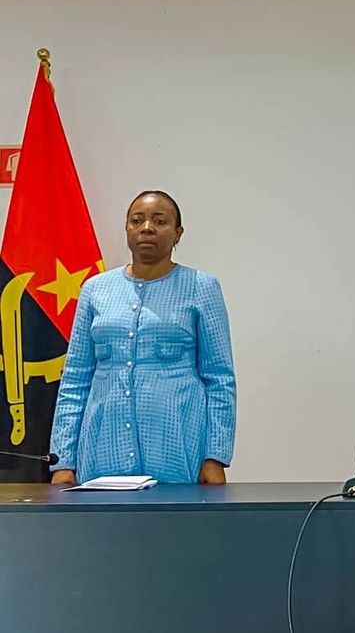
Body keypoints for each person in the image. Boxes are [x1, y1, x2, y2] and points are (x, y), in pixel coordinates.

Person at [49, 190, 236, 485]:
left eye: (159, 221)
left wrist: (215, 457)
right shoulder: (95, 289)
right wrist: (63, 460)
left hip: (178, 447)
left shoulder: (201, 287)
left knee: (176, 516)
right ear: (126, 228)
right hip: (101, 447)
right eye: (137, 220)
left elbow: (219, 379)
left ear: (178, 233)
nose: (147, 228)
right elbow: (75, 379)